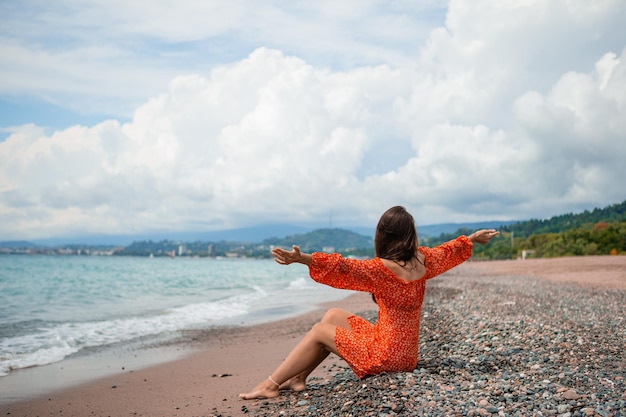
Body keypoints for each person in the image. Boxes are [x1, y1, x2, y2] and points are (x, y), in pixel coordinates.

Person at [240, 206, 499, 400]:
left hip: (386, 356)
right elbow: (448, 250)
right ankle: (298, 377)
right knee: (332, 315)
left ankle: (270, 385)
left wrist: (303, 259)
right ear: (410, 234)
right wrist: (472, 238)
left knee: (319, 332)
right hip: (405, 355)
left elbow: (344, 266)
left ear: (383, 235)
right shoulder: (423, 259)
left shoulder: (381, 269)